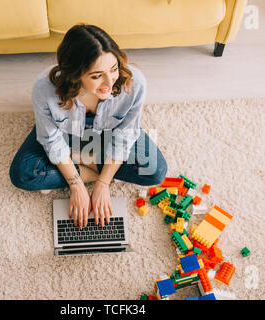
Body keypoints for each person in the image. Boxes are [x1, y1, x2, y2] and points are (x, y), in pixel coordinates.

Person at [10, 24, 167, 230]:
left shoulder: (134, 83)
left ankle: (80, 162)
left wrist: (103, 183)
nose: (109, 83)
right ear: (75, 75)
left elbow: (125, 134)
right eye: (96, 76)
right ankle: (89, 165)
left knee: (155, 172)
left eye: (113, 69)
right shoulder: (44, 89)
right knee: (22, 174)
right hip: (65, 132)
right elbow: (51, 139)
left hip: (111, 132)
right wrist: (76, 185)